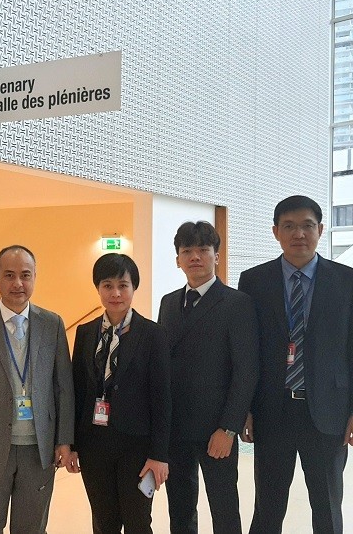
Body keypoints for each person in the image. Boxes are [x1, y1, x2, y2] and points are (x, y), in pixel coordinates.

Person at [239, 195, 353, 534]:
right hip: (273, 412)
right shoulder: (254, 281)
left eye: (307, 226)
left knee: (327, 506)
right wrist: (246, 409)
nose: (298, 233)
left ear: (321, 230)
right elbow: (247, 353)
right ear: (275, 232)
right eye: (289, 226)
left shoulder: (348, 281)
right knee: (267, 506)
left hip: (328, 413)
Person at [0, 245, 75, 534]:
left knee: (32, 526)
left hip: (40, 447)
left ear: (35, 277)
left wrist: (64, 440)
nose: (18, 283)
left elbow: (63, 388)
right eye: (9, 275)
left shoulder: (52, 324)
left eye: (25, 275)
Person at [158, 222, 259, 533]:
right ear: (177, 259)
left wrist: (229, 427)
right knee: (180, 507)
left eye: (203, 250)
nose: (195, 257)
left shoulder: (236, 303)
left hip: (216, 427)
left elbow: (246, 370)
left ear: (217, 255)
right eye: (187, 251)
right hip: (176, 426)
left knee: (224, 505)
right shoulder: (169, 302)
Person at [70, 253, 170, 534]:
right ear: (98, 288)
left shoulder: (153, 335)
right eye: (107, 285)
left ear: (133, 288)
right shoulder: (86, 333)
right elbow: (78, 390)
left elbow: (162, 398)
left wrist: (159, 454)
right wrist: (72, 443)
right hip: (94, 445)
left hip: (137, 448)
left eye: (123, 285)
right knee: (104, 521)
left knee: (138, 521)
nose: (115, 293)